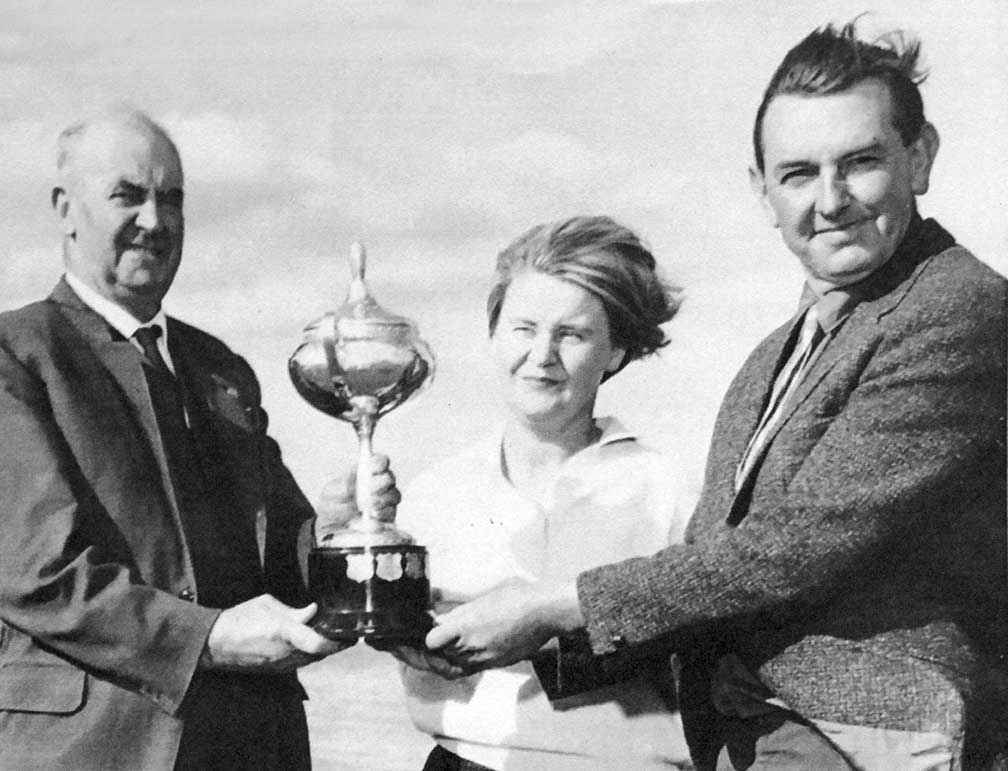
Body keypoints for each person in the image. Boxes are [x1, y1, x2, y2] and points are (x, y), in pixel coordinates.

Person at [422, 21, 1008, 770]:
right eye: (798, 174)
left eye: (860, 162)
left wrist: (549, 605)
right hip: (744, 730)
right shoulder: (772, 357)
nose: (830, 200)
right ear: (763, 192)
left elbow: (794, 549)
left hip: (861, 736)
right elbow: (714, 570)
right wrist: (471, 639)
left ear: (919, 158)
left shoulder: (960, 309)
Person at [0, 107, 393, 769]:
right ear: (65, 209)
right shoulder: (17, 355)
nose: (155, 220)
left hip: (253, 744)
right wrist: (209, 637)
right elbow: (40, 575)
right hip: (94, 750)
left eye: (172, 199)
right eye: (127, 195)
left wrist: (334, 532)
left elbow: (280, 562)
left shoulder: (218, 368)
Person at [382, 216, 691, 770]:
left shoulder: (668, 488)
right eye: (524, 328)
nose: (542, 354)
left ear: (616, 351)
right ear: (494, 335)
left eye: (572, 334)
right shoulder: (434, 491)